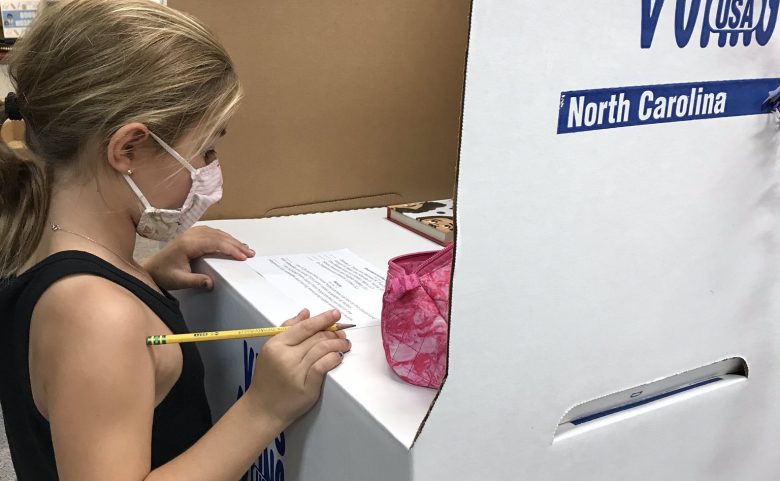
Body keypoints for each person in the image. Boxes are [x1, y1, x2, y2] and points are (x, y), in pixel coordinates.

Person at [0, 1, 351, 480]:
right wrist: (264, 408)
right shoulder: (97, 315)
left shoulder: (35, 240)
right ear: (127, 148)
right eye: (204, 149)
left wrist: (142, 276)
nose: (210, 170)